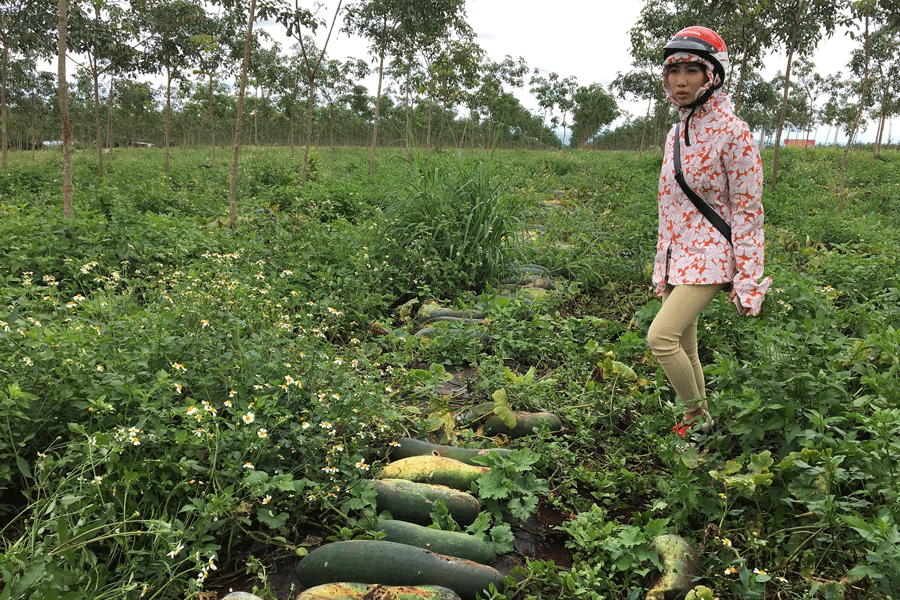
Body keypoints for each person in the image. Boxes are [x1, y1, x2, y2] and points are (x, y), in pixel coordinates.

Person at [646, 26, 772, 442]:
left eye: (691, 71)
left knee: (661, 338)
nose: (680, 81)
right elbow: (670, 205)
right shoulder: (674, 133)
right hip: (678, 255)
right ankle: (706, 427)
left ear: (712, 75)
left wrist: (749, 277)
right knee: (687, 346)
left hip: (712, 256)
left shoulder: (734, 131)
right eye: (674, 71)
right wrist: (661, 263)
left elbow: (748, 211)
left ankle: (696, 419)